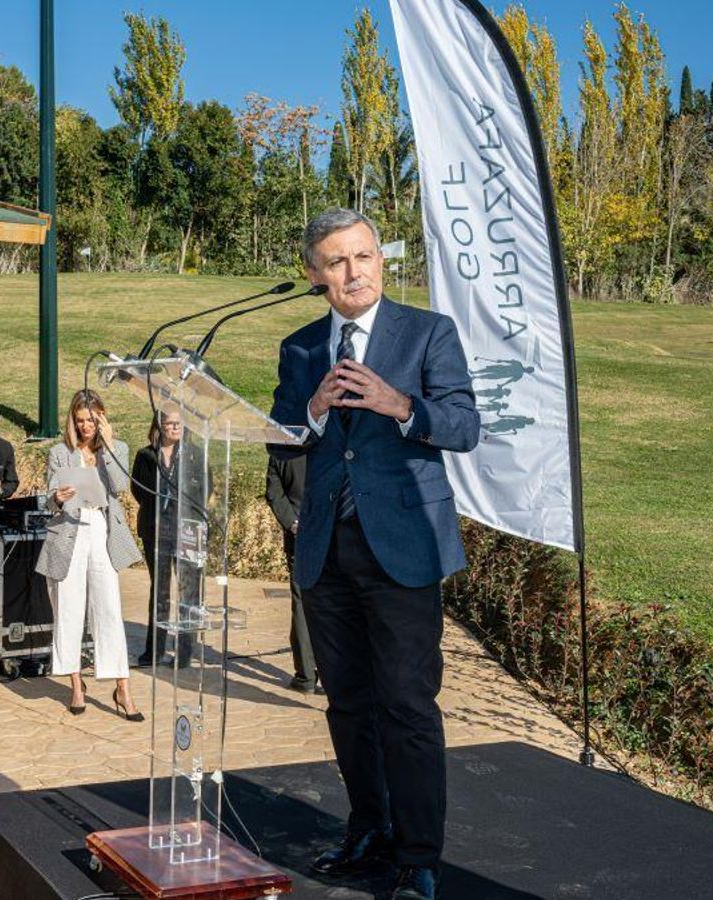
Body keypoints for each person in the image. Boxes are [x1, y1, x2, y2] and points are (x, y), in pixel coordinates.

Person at [270, 208, 479, 900]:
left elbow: (464, 425)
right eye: (336, 261)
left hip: (403, 548)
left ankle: (418, 854)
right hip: (327, 549)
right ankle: (368, 831)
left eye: (363, 256)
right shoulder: (301, 350)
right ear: (315, 274)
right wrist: (314, 414)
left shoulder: (427, 333)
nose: (353, 271)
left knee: (407, 705)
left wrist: (401, 405)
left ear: (380, 262)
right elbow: (280, 439)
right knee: (348, 704)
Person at [34, 390, 143, 719]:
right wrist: (57, 496)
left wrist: (108, 446)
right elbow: (46, 501)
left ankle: (122, 688)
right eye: (80, 421)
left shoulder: (118, 448)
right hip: (68, 528)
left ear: (102, 417)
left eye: (91, 420)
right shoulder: (59, 453)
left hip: (100, 529)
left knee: (108, 609)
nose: (85, 426)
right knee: (68, 611)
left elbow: (121, 486)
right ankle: (76, 686)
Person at [128, 408, 205, 669]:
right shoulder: (146, 455)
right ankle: (154, 651)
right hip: (156, 530)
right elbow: (138, 489)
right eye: (170, 423)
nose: (175, 428)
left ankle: (184, 652)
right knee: (160, 591)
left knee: (188, 591)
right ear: (159, 426)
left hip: (187, 530)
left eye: (179, 423)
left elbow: (207, 488)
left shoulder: (194, 453)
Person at [265, 453, 320, 694]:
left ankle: (306, 676)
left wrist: (293, 524)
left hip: (299, 536)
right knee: (337, 604)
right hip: (333, 532)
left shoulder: (280, 452)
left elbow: (274, 493)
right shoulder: (330, 440)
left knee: (301, 604)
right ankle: (333, 674)